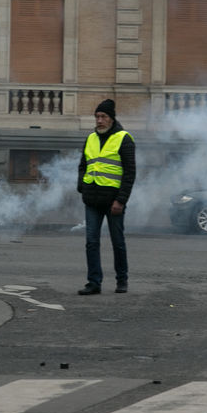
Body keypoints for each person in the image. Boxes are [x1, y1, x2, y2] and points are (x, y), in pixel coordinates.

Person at [77, 99, 135, 295]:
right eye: (97, 117)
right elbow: (83, 165)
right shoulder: (91, 138)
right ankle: (94, 282)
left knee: (117, 242)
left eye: (103, 117)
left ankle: (122, 280)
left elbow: (130, 173)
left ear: (111, 118)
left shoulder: (124, 138)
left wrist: (121, 200)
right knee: (91, 242)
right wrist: (82, 187)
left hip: (113, 201)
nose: (99, 120)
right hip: (92, 199)